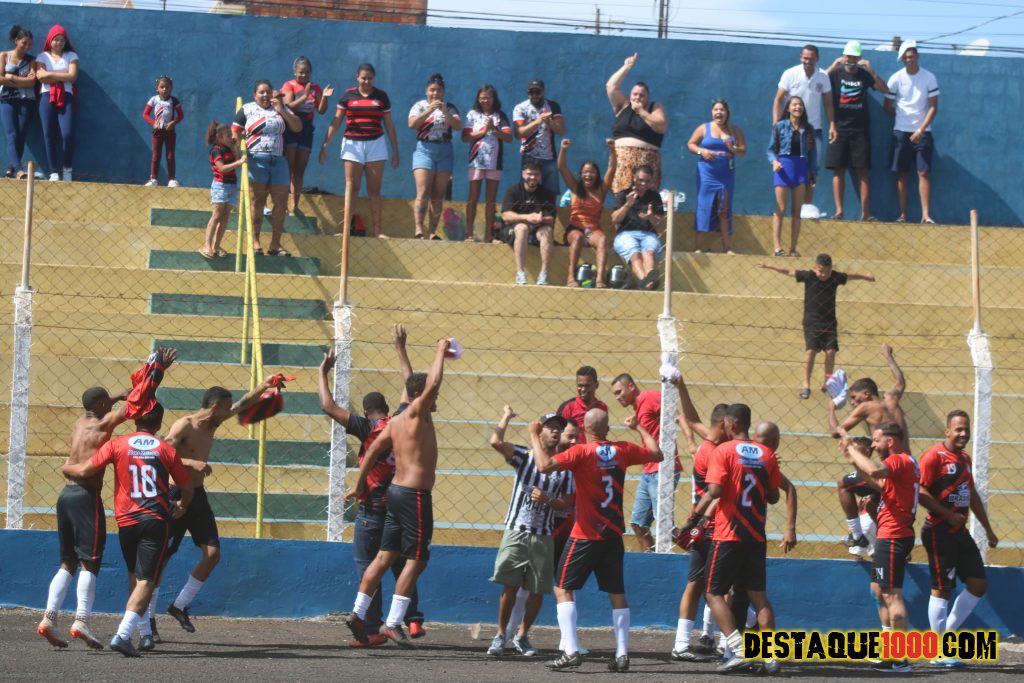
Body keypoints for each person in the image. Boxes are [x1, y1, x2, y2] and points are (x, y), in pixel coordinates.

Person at [319, 325, 425, 647]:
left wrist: (322, 373)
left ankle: (373, 629)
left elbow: (328, 406)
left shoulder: (367, 427)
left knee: (370, 567)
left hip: (373, 510)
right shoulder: (401, 422)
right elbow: (411, 389)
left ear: (366, 412)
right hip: (401, 505)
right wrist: (401, 349)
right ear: (389, 409)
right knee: (403, 563)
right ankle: (413, 619)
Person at [533, 408, 662, 672]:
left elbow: (544, 466)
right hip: (612, 534)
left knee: (562, 588)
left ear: (584, 429)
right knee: (617, 593)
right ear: (607, 429)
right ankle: (623, 654)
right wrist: (639, 427)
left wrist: (534, 435)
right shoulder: (622, 450)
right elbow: (656, 453)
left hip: (585, 534)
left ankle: (570, 651)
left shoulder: (582, 452)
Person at [61, 403, 194, 658]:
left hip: (126, 522)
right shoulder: (166, 449)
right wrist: (183, 505)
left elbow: (87, 469)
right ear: (159, 424)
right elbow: (186, 488)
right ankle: (123, 635)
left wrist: (67, 468)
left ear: (135, 420)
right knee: (147, 580)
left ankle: (144, 633)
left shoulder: (118, 444)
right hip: (154, 520)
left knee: (135, 576)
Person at [344, 337, 451, 648]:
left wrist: (359, 484)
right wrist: (440, 351)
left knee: (385, 555)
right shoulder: (418, 412)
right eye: (432, 395)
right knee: (416, 560)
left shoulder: (397, 420)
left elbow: (372, 450)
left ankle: (357, 613)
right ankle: (392, 623)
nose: (436, 398)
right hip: (415, 496)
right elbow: (432, 382)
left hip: (395, 493)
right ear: (420, 396)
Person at [154, 378, 276, 639]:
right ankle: (147, 617)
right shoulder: (184, 425)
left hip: (197, 496)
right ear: (214, 407)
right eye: (226, 408)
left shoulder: (213, 422)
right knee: (162, 557)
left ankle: (179, 605)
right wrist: (192, 463)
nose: (230, 412)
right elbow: (162, 454)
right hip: (176, 494)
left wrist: (265, 386)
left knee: (212, 554)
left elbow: (243, 405)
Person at [687, 403, 782, 674]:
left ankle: (738, 650)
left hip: (729, 534)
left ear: (734, 424)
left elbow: (715, 490)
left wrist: (694, 519)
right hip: (756, 535)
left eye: (727, 424)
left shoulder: (724, 450)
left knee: (713, 591)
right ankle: (771, 656)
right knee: (759, 596)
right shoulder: (767, 454)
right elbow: (773, 496)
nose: (726, 428)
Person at [36, 383, 130, 650]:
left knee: (68, 562)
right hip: (86, 497)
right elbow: (129, 409)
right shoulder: (103, 424)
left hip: (66, 495)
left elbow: (100, 404)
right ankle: (82, 621)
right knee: (91, 562)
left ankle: (49, 618)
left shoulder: (80, 423)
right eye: (107, 403)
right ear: (102, 406)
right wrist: (154, 374)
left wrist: (115, 395)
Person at [486, 406, 575, 658]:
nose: (556, 432)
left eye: (559, 428)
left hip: (543, 534)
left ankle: (522, 635)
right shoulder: (524, 457)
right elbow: (495, 442)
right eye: (551, 427)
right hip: (517, 530)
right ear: (540, 430)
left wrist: (549, 500)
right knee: (510, 586)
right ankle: (500, 635)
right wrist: (506, 417)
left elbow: (567, 502)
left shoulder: (564, 467)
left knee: (537, 590)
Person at [919, 410, 998, 666]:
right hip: (938, 530)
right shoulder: (933, 457)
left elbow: (971, 493)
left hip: (959, 533)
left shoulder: (965, 458)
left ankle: (946, 638)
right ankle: (937, 650)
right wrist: (947, 515)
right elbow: (920, 491)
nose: (963, 434)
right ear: (947, 431)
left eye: (966, 429)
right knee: (942, 588)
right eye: (958, 429)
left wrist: (987, 529)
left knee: (978, 584)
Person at [839, 423, 918, 673]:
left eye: (876, 440)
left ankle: (899, 658)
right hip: (889, 535)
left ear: (890, 441)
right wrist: (853, 459)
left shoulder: (899, 460)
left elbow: (873, 470)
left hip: (893, 536)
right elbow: (878, 484)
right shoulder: (902, 464)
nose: (873, 445)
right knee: (878, 590)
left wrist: (853, 448)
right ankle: (889, 650)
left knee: (892, 595)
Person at [667, 371, 730, 662]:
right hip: (714, 526)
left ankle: (691, 640)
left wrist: (682, 386)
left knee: (700, 583)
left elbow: (692, 419)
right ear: (724, 425)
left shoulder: (709, 445)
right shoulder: (718, 452)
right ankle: (725, 643)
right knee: (721, 586)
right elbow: (718, 493)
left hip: (703, 525)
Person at [757, 253, 875, 398]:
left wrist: (867, 277)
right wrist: (769, 265)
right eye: (820, 271)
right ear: (814, 268)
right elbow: (788, 271)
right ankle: (806, 383)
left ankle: (827, 380)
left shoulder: (835, 277)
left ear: (831, 269)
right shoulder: (809, 276)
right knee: (811, 351)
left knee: (831, 352)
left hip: (829, 322)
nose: (823, 275)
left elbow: (851, 276)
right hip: (812, 322)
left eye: (827, 271)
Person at [320, 63, 399, 239]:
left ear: (374, 78)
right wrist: (325, 144)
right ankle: (346, 230)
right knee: (351, 188)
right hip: (352, 145)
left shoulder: (381, 96)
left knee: (374, 190)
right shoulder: (347, 95)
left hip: (376, 144)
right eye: (363, 78)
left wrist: (395, 150)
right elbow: (337, 121)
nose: (366, 81)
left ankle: (378, 231)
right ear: (357, 77)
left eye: (370, 78)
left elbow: (389, 124)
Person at [610, 373, 685, 552]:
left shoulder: (649, 397)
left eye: (619, 392)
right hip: (649, 471)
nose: (617, 397)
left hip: (664, 469)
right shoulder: (638, 408)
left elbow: (678, 416)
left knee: (665, 526)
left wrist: (690, 441)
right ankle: (651, 559)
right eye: (615, 394)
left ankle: (702, 553)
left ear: (631, 386)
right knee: (638, 524)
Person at [232, 80, 302, 256]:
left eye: (268, 92)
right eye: (261, 92)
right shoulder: (247, 109)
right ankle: (255, 242)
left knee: (281, 202)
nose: (265, 95)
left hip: (278, 161)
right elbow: (235, 131)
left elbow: (297, 127)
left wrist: (282, 111)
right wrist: (238, 153)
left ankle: (275, 245)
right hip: (256, 160)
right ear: (254, 95)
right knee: (257, 201)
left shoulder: (281, 107)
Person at [825, 41, 888, 220]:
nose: (851, 60)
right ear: (844, 56)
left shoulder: (864, 74)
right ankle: (839, 211)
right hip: (839, 129)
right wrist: (833, 65)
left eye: (855, 57)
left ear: (860, 57)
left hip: (860, 130)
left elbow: (885, 90)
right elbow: (817, 82)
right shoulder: (835, 73)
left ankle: (866, 213)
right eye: (849, 56)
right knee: (839, 170)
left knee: (862, 171)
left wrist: (871, 71)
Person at [773, 44, 836, 206]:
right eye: (805, 58)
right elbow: (778, 100)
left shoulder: (823, 76)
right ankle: (783, 208)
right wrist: (776, 123)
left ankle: (806, 207)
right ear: (801, 57)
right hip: (790, 130)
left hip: (814, 130)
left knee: (813, 169)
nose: (808, 61)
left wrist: (832, 125)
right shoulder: (790, 74)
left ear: (817, 59)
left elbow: (828, 103)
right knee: (787, 166)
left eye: (811, 59)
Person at [885, 40, 939, 224]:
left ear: (917, 56)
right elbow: (887, 105)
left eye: (911, 56)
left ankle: (926, 215)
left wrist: (920, 130)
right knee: (901, 173)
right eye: (906, 57)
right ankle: (902, 215)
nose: (909, 59)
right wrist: (901, 120)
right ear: (902, 59)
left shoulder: (929, 78)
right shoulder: (896, 78)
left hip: (923, 134)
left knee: (923, 173)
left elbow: (934, 108)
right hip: (900, 133)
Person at [687, 99, 746, 254]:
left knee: (724, 209)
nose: (718, 112)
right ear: (712, 112)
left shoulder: (735, 131)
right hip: (707, 173)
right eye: (716, 110)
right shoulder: (704, 128)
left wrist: (732, 148)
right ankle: (698, 247)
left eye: (722, 110)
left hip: (726, 173)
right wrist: (702, 151)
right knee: (704, 206)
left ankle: (727, 248)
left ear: (727, 113)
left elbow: (743, 151)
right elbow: (691, 144)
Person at [408, 72, 462, 240]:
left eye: (438, 90)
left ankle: (432, 232)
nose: (435, 93)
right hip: (424, 150)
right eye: (432, 90)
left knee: (438, 194)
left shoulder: (450, 107)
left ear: (443, 92)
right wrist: (429, 111)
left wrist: (444, 112)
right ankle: (419, 229)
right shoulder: (419, 106)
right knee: (423, 191)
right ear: (426, 91)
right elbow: (412, 123)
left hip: (444, 151)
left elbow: (458, 125)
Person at [558, 138, 615, 287]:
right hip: (575, 229)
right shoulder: (574, 187)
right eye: (585, 172)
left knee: (603, 240)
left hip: (593, 230)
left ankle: (600, 279)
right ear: (581, 174)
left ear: (597, 175)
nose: (588, 175)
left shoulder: (602, 189)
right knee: (577, 237)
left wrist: (612, 149)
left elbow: (612, 168)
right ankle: (571, 277)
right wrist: (563, 148)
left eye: (592, 172)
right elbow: (562, 167)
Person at [606, 53, 667, 193]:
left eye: (642, 95)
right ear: (630, 95)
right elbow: (611, 86)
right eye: (635, 94)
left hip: (647, 163)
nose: (638, 97)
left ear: (647, 98)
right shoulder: (623, 105)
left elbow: (661, 126)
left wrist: (641, 112)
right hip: (622, 162)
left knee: (645, 199)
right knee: (622, 197)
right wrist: (626, 67)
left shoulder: (654, 107)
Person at [280, 56, 333, 214]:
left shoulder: (315, 88)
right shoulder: (289, 85)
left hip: (307, 130)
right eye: (301, 72)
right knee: (288, 168)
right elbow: (288, 106)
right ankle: (283, 204)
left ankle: (294, 205)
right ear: (295, 72)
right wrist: (304, 96)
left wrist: (324, 97)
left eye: (307, 72)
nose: (304, 75)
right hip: (291, 128)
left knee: (299, 169)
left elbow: (321, 110)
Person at [767, 96, 816, 257]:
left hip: (801, 170)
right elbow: (771, 150)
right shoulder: (780, 126)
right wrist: (774, 161)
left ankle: (793, 249)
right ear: (788, 108)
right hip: (783, 169)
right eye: (794, 104)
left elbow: (812, 154)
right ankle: (777, 247)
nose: (797, 107)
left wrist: (812, 174)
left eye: (800, 105)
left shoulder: (808, 129)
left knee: (796, 211)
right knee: (780, 209)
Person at [463, 84, 512, 243]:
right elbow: (465, 137)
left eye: (488, 98)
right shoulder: (472, 115)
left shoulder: (500, 115)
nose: (485, 100)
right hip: (475, 161)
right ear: (478, 99)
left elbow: (509, 137)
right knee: (473, 198)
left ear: (494, 99)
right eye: (482, 98)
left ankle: (489, 235)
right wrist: (483, 131)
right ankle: (469, 234)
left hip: (494, 162)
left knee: (490, 200)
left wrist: (494, 129)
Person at [501, 156, 556, 286]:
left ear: (540, 175)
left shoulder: (547, 193)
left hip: (537, 229)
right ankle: (520, 273)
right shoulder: (513, 190)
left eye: (536, 174)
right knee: (522, 228)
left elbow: (551, 220)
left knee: (547, 231)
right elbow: (506, 216)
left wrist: (541, 219)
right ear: (523, 174)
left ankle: (543, 274)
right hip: (515, 230)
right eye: (529, 174)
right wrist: (527, 217)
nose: (532, 177)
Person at [34, 24, 78, 182]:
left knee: (67, 134)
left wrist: (49, 74)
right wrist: (62, 75)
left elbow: (72, 77)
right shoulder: (42, 57)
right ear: (50, 40)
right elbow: (40, 77)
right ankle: (53, 172)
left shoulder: (71, 56)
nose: (59, 43)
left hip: (66, 96)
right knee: (48, 134)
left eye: (62, 40)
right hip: (46, 97)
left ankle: (67, 169)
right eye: (56, 39)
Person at [610, 164, 664, 290]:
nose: (644, 184)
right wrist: (627, 205)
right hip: (625, 234)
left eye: (647, 181)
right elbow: (615, 219)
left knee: (649, 254)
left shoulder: (655, 196)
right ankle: (647, 282)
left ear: (651, 182)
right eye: (641, 180)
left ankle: (648, 281)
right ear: (634, 178)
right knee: (635, 255)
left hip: (649, 233)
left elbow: (658, 222)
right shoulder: (624, 195)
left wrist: (650, 217)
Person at [200, 121, 245, 259]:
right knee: (217, 215)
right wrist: (239, 162)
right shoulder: (216, 150)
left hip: (232, 185)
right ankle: (207, 245)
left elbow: (238, 160)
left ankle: (216, 245)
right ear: (220, 137)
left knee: (225, 216)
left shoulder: (228, 148)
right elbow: (222, 168)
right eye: (228, 136)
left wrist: (235, 147)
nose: (231, 137)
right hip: (220, 185)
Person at [512, 78, 564, 196]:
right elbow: (518, 133)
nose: (535, 95)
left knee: (550, 193)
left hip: (549, 157)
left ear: (543, 92)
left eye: (538, 92)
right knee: (526, 192)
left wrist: (549, 122)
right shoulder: (520, 108)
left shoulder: (553, 106)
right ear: (528, 93)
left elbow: (561, 130)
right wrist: (538, 121)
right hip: (528, 157)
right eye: (531, 92)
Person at [0, 25, 36, 180]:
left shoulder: (32, 60)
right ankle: (19, 171)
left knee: (21, 135)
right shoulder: (3, 56)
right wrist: (22, 81)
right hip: (6, 100)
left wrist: (12, 78)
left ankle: (11, 168)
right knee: (12, 134)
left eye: (30, 44)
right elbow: (0, 78)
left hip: (26, 101)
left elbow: (32, 82)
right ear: (16, 40)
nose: (27, 46)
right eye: (24, 43)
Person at [836, 435, 881, 559]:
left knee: (857, 554)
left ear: (867, 451)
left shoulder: (872, 471)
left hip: (869, 522)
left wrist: (855, 528)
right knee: (878, 557)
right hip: (874, 519)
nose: (852, 453)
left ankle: (857, 537)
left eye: (855, 450)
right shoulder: (862, 484)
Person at [142, 75, 184, 187]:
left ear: (171, 88)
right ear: (157, 88)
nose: (165, 89)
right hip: (157, 132)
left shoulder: (174, 101)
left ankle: (172, 179)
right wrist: (153, 123)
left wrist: (173, 123)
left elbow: (181, 116)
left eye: (167, 87)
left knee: (170, 156)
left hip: (169, 132)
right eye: (162, 87)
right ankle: (153, 179)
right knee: (156, 155)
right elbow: (145, 114)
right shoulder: (153, 100)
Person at [555, 365, 609, 443]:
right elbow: (559, 435)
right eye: (580, 386)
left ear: (596, 385)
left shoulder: (602, 407)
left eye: (587, 386)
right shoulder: (569, 407)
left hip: (594, 450)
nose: (583, 389)